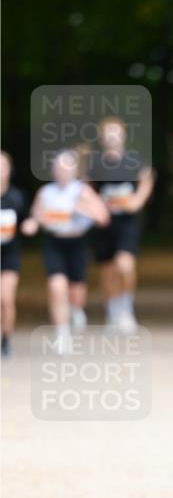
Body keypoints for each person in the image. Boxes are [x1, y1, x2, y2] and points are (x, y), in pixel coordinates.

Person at [22, 149, 110, 354]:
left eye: (67, 167)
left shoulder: (83, 191)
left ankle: (75, 310)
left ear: (75, 170)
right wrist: (32, 224)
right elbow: (35, 217)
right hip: (54, 243)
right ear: (53, 170)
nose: (62, 171)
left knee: (76, 294)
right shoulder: (45, 193)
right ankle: (62, 334)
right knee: (56, 286)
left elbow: (103, 218)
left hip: (77, 244)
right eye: (59, 167)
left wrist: (83, 209)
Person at [89, 117, 154, 333]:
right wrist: (96, 208)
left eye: (115, 133)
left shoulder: (134, 160)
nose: (112, 138)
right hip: (105, 223)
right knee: (108, 270)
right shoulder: (96, 164)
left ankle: (126, 309)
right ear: (102, 138)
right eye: (108, 134)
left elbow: (146, 179)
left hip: (127, 221)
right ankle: (112, 311)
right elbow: (88, 189)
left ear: (123, 136)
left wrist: (138, 201)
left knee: (125, 265)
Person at [0, 151, 28, 356]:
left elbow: (27, 221)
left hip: (9, 255)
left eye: (3, 166)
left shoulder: (17, 197)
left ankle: (6, 339)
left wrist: (31, 225)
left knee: (5, 298)